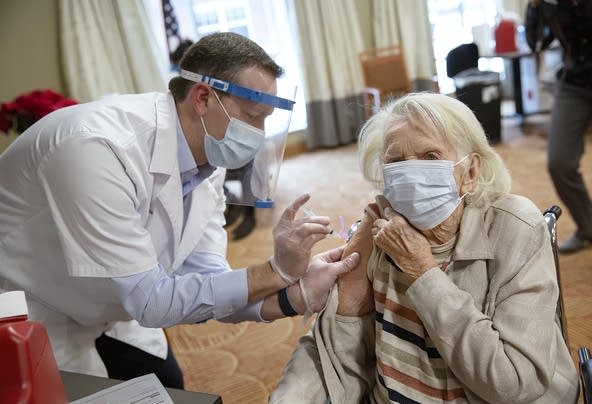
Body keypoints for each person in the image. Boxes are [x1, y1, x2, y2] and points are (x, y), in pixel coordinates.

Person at [0, 32, 359, 388]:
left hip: (110, 303)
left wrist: (294, 296)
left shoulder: (207, 163)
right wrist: (277, 271)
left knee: (167, 387)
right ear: (203, 97)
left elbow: (212, 282)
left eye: (267, 119)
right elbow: (151, 301)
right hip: (34, 311)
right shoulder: (96, 148)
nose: (259, 134)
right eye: (253, 116)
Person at [270, 93, 579, 403]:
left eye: (430, 156)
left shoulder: (515, 229)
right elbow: (330, 352)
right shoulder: (378, 230)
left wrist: (422, 271)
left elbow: (513, 382)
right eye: (395, 161)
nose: (411, 174)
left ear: (469, 172)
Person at [526, 0, 592, 253]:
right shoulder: (549, 4)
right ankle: (590, 227)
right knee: (560, 163)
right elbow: (535, 43)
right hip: (574, 84)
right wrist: (534, 8)